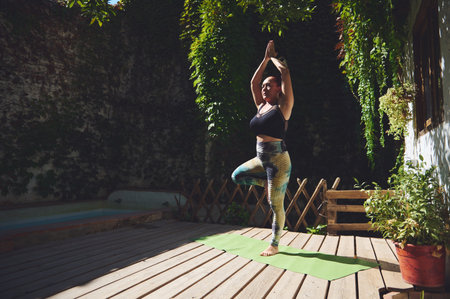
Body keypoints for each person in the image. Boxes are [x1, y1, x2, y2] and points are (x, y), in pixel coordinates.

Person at [231, 40, 294, 256]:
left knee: (275, 204)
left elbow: (285, 73)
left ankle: (274, 244)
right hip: (260, 159)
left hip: (278, 162)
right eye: (264, 85)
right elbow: (253, 83)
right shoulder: (261, 106)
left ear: (278, 90)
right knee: (237, 176)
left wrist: (274, 57)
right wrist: (265, 59)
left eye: (269, 85)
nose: (265, 87)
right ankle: (267, 183)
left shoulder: (283, 107)